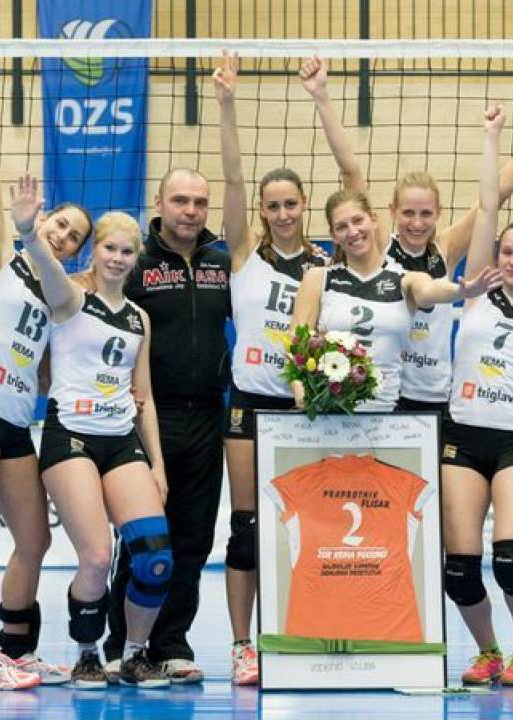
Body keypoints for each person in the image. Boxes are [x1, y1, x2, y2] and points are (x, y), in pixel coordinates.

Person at [300, 56, 513, 413]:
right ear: (391, 213)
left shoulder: (446, 248)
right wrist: (321, 96)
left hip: (431, 393)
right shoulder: (380, 244)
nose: (417, 223)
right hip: (379, 388)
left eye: (426, 214)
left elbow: (498, 191)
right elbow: (351, 171)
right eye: (408, 213)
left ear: (438, 213)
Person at [0, 48, 90, 690]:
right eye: (61, 224)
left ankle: (17, 649)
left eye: (74, 237)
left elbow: (62, 358)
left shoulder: (61, 295)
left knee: (35, 539)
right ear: (43, 217)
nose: (63, 236)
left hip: (14, 422)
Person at [16, 199, 170, 690]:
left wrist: (158, 466)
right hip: (71, 436)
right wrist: (28, 230)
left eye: (127, 251)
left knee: (155, 557)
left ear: (136, 257)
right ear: (94, 251)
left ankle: (133, 655)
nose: (118, 258)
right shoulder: (71, 298)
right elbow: (44, 264)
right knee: (98, 557)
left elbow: (144, 397)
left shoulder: (139, 318)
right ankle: (86, 654)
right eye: (109, 248)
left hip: (122, 440)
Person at [213, 50, 325, 686]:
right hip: (250, 404)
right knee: (246, 526)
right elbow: (231, 181)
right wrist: (226, 104)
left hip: (307, 409)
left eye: (290, 204)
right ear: (261, 210)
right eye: (272, 205)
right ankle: (241, 644)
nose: (282, 213)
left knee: (303, 525)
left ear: (304, 204)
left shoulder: (325, 265)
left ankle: (298, 630)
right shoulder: (245, 256)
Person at [102, 167, 232, 685]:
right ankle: (120, 644)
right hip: (148, 418)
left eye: (200, 201)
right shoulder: (136, 261)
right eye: (180, 200)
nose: (190, 210)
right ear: (159, 203)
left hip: (209, 416)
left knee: (194, 539)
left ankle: (172, 644)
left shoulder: (222, 261)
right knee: (142, 538)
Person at [441, 105, 513, 688]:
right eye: (506, 251)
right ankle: (488, 651)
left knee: (509, 555)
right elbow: (488, 205)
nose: (511, 260)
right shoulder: (477, 289)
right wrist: (490, 137)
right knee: (460, 568)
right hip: (462, 435)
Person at [289, 190, 501, 411]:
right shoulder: (318, 278)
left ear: (373, 220)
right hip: (330, 413)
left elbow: (430, 290)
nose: (352, 231)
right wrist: (301, 393)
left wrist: (461, 291)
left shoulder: (404, 280)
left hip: (387, 413)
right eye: (342, 227)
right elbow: (296, 343)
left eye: (358, 220)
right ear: (333, 236)